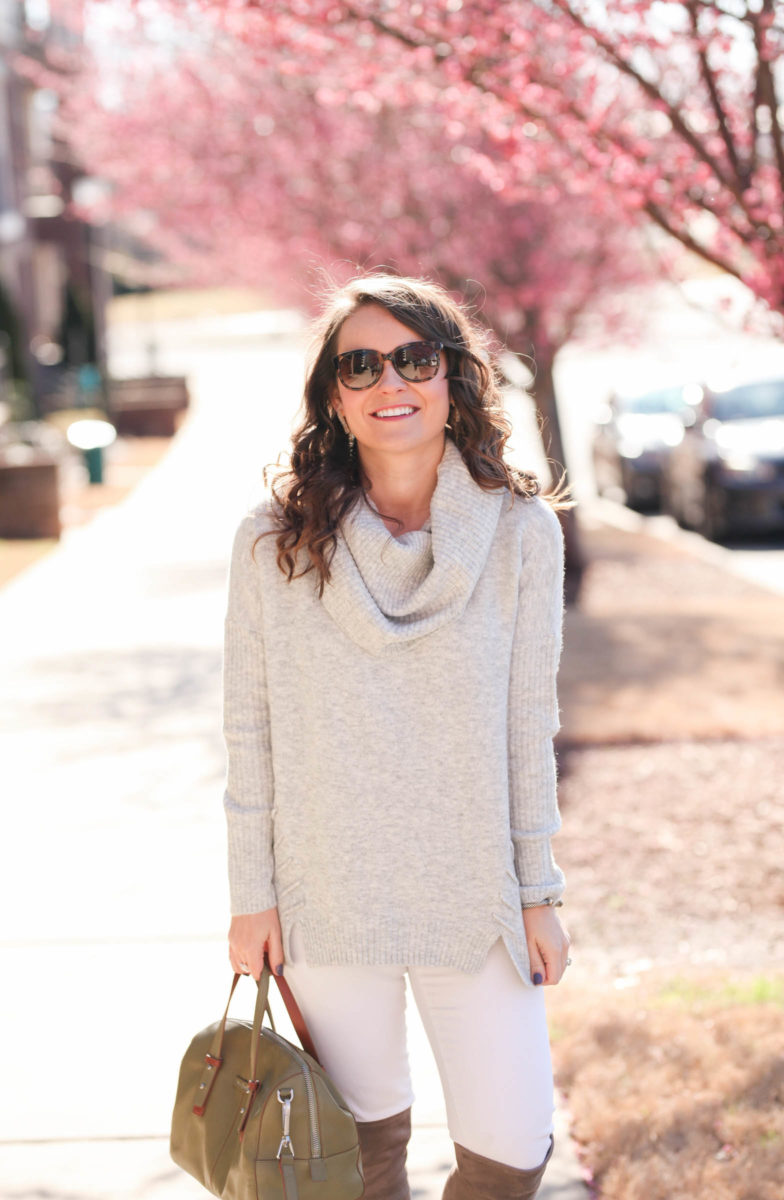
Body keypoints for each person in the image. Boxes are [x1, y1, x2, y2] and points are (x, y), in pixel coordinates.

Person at [223, 273, 572, 1200]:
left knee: (511, 1154)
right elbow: (249, 732)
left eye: (415, 358)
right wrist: (251, 899)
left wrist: (539, 891)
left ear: (453, 376)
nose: (392, 382)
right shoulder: (273, 543)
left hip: (475, 894)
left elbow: (528, 727)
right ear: (333, 397)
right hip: (326, 895)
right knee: (358, 1164)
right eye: (362, 364)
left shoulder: (521, 534)